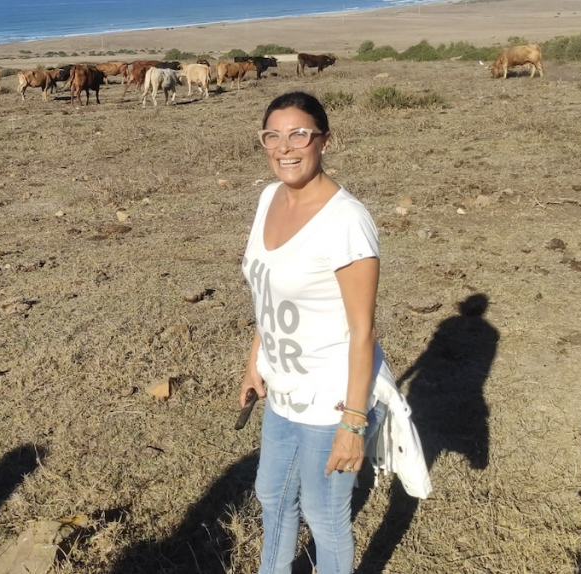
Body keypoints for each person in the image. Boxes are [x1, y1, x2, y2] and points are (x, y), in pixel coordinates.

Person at [238, 91, 394, 574]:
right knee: (272, 495)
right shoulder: (268, 198)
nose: (286, 147)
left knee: (324, 517)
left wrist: (352, 422)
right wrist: (254, 360)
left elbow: (362, 331)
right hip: (283, 388)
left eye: (299, 134)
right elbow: (268, 296)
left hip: (329, 397)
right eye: (273, 135)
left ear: (325, 140)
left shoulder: (347, 221)